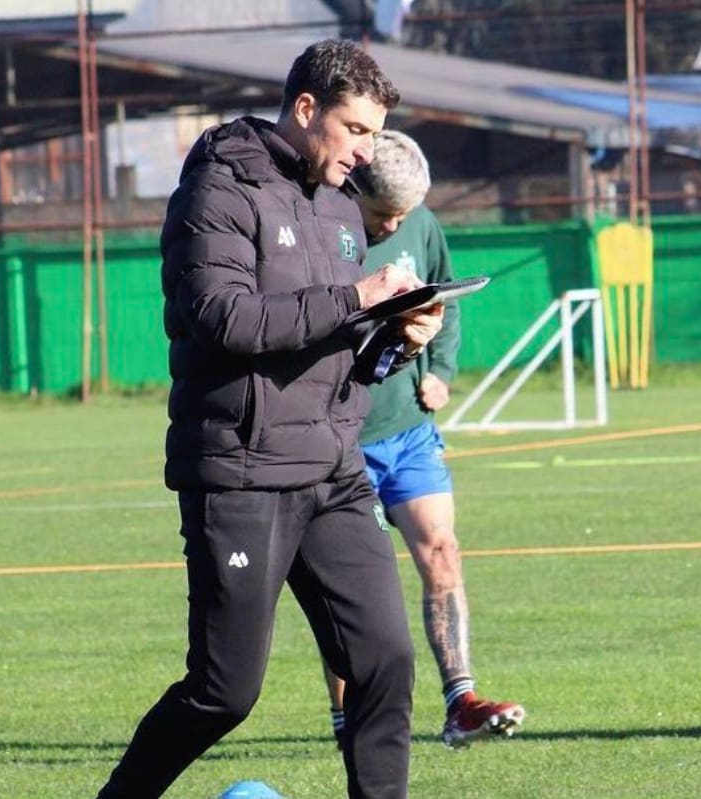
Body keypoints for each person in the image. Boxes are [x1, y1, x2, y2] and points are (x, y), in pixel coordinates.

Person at [95, 40, 444, 799]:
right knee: (225, 691)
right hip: (241, 472)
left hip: (332, 470)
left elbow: (336, 352)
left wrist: (394, 336)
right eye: (355, 130)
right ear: (307, 108)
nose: (364, 152)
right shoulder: (218, 185)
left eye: (374, 136)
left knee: (385, 660)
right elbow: (224, 319)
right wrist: (360, 299)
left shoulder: (341, 206)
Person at [322, 130, 526, 749]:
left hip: (409, 429)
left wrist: (438, 369)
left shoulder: (423, 222)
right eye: (387, 216)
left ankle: (460, 701)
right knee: (350, 587)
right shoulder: (322, 229)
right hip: (341, 439)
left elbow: (447, 296)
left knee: (441, 549)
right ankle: (348, 720)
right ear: (354, 192)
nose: (399, 224)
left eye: (406, 215)